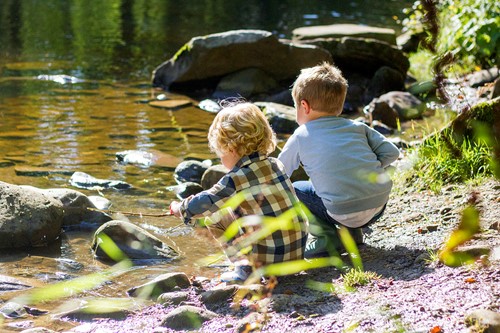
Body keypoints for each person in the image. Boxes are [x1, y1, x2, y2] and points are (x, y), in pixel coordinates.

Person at [169, 102, 308, 282]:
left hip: (271, 260)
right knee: (242, 210)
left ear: (231, 149)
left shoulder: (236, 178)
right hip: (295, 253)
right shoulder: (275, 164)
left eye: (220, 153)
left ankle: (245, 269)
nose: (220, 158)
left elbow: (207, 201)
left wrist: (181, 208)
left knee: (215, 218)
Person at [278, 62, 400, 258]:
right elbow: (392, 153)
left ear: (304, 106)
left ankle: (326, 237)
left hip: (341, 210)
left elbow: (279, 173)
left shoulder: (301, 135)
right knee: (329, 186)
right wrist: (369, 167)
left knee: (298, 188)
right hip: (378, 205)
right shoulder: (357, 127)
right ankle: (352, 234)